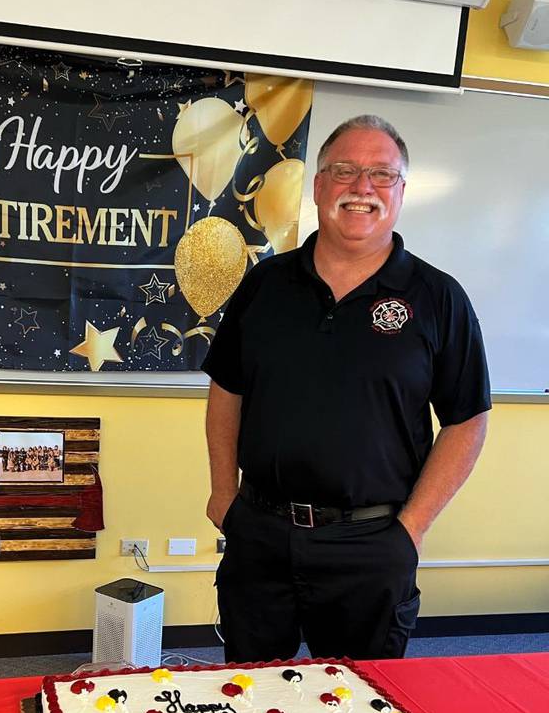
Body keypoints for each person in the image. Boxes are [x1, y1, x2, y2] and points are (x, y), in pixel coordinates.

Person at [202, 114, 490, 662]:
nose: (362, 188)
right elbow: (227, 390)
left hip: (372, 544)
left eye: (382, 174)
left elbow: (467, 420)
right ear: (317, 185)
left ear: (402, 192)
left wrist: (411, 528)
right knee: (248, 693)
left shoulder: (438, 297)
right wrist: (223, 492)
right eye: (344, 170)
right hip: (260, 535)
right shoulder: (264, 283)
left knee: (365, 707)